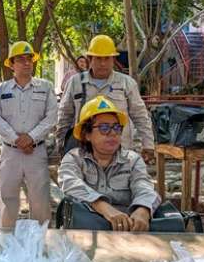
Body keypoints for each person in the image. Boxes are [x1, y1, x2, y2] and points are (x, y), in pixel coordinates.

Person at [58, 96, 160, 231]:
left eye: (117, 128)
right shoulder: (74, 158)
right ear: (87, 134)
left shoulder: (133, 160)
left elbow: (144, 187)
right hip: (87, 232)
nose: (112, 133)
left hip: (127, 232)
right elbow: (70, 184)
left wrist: (143, 209)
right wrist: (103, 207)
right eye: (104, 128)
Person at [56, 35, 154, 162]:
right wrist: (61, 145)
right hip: (84, 154)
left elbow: (140, 116)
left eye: (107, 59)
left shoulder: (126, 83)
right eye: (98, 59)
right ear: (90, 59)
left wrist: (148, 145)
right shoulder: (75, 83)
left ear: (113, 60)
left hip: (120, 154)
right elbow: (64, 116)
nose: (103, 63)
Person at [0, 41, 57, 228]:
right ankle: (6, 243)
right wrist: (16, 139)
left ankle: (39, 245)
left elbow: (51, 117)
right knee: (7, 199)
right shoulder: (1, 90)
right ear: (11, 64)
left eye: (29, 59)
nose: (26, 63)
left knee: (40, 200)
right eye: (20, 59)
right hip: (10, 153)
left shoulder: (45, 87)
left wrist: (31, 137)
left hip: (36, 153)